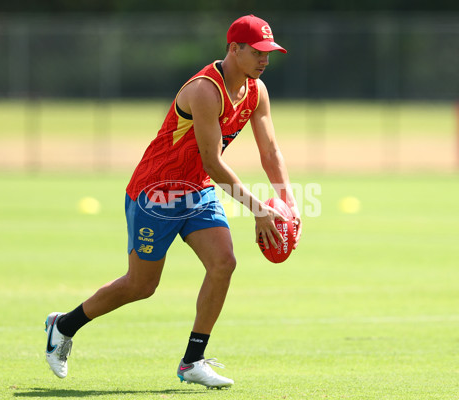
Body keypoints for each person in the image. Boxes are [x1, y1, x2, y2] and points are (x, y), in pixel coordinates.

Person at [44, 14, 302, 389]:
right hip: (155, 191)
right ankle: (62, 326)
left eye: (270, 52)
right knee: (141, 285)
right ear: (234, 48)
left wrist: (287, 199)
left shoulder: (256, 91)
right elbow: (214, 161)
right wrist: (258, 209)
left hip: (196, 190)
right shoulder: (204, 90)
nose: (265, 59)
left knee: (223, 263)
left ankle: (192, 361)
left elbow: (271, 150)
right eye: (258, 52)